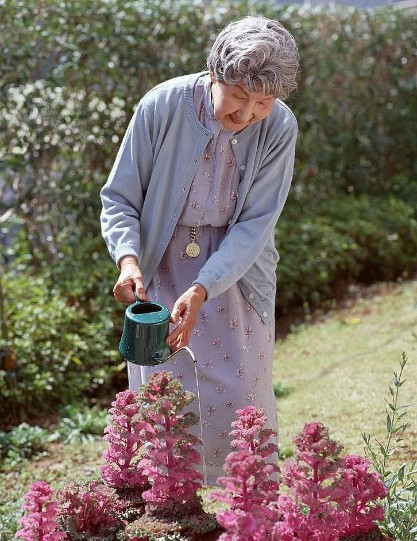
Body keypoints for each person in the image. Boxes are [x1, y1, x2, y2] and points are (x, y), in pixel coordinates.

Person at [100, 15, 299, 485]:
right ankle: (173, 508)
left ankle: (247, 512)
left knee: (242, 393)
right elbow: (120, 197)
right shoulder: (162, 106)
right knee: (166, 398)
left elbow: (255, 224)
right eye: (238, 95)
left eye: (263, 102)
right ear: (215, 74)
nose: (247, 113)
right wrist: (128, 260)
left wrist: (204, 287)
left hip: (235, 273)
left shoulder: (280, 128)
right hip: (160, 267)